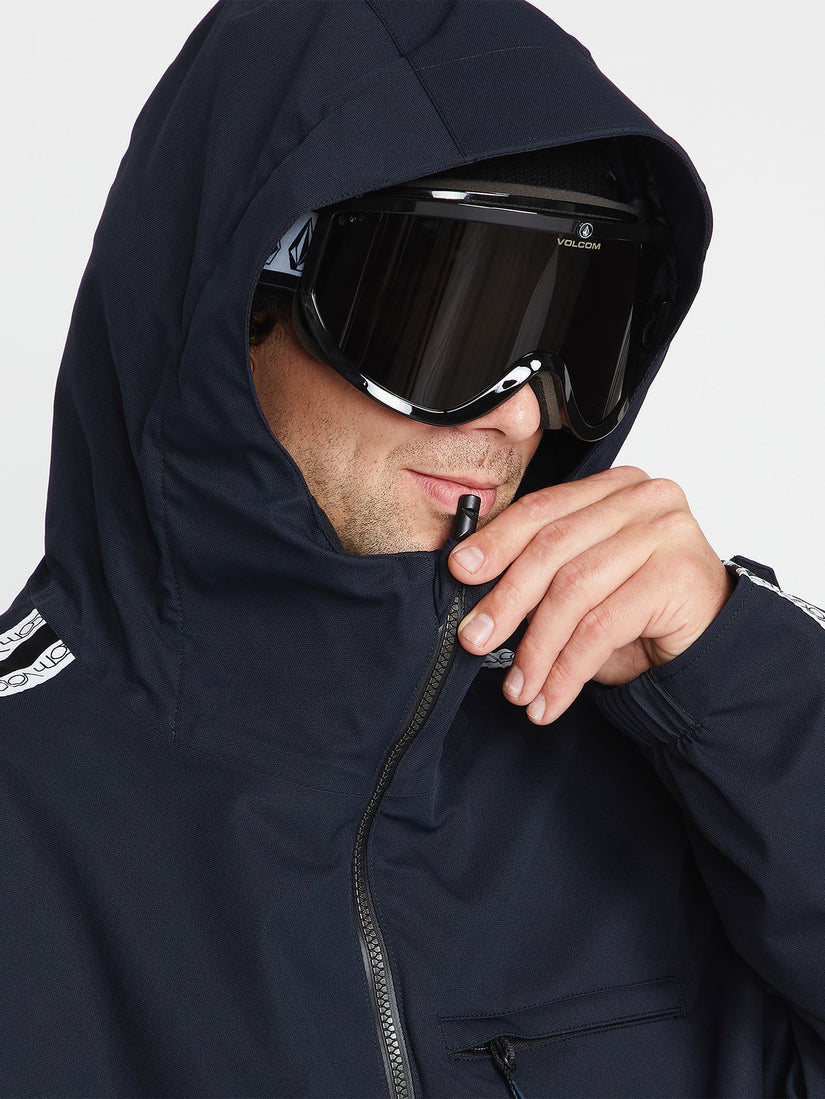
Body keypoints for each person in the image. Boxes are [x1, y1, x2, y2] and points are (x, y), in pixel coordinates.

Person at [0, 2, 823, 1097]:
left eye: (579, 334)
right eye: (446, 319)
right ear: (231, 303)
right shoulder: (27, 827)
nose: (522, 417)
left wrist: (741, 678)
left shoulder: (686, 759)